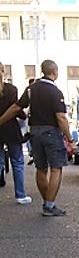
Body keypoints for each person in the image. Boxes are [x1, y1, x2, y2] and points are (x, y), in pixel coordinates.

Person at [0, 60, 72, 215]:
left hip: (34, 132)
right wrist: (69, 138)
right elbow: (61, 117)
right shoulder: (55, 92)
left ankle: (47, 202)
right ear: (55, 72)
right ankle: (49, 205)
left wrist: (0, 121)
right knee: (56, 168)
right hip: (51, 133)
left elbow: (16, 108)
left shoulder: (31, 89)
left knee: (41, 168)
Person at [0, 65, 32, 204]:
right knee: (17, 162)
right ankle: (20, 195)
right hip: (10, 128)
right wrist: (24, 116)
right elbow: (15, 108)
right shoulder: (11, 89)